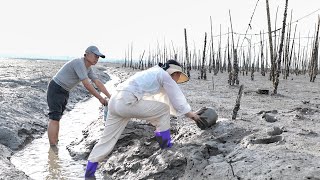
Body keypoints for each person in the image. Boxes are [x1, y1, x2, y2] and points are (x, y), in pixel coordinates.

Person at [85, 59, 202, 177]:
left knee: (106, 141)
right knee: (164, 110)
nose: (177, 80)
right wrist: (191, 115)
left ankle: (89, 174)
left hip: (114, 102)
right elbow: (177, 99)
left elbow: (166, 99)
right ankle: (165, 144)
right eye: (178, 76)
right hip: (127, 102)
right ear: (175, 73)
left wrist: (187, 112)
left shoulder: (153, 72)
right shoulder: (165, 76)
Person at [46, 46, 111, 146]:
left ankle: (55, 143)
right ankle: (53, 147)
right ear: (86, 54)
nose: (97, 59)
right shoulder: (79, 63)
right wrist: (100, 98)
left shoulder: (88, 68)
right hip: (56, 88)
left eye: (98, 57)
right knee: (54, 118)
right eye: (95, 56)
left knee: (57, 118)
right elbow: (87, 84)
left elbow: (97, 82)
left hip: (65, 90)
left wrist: (110, 96)